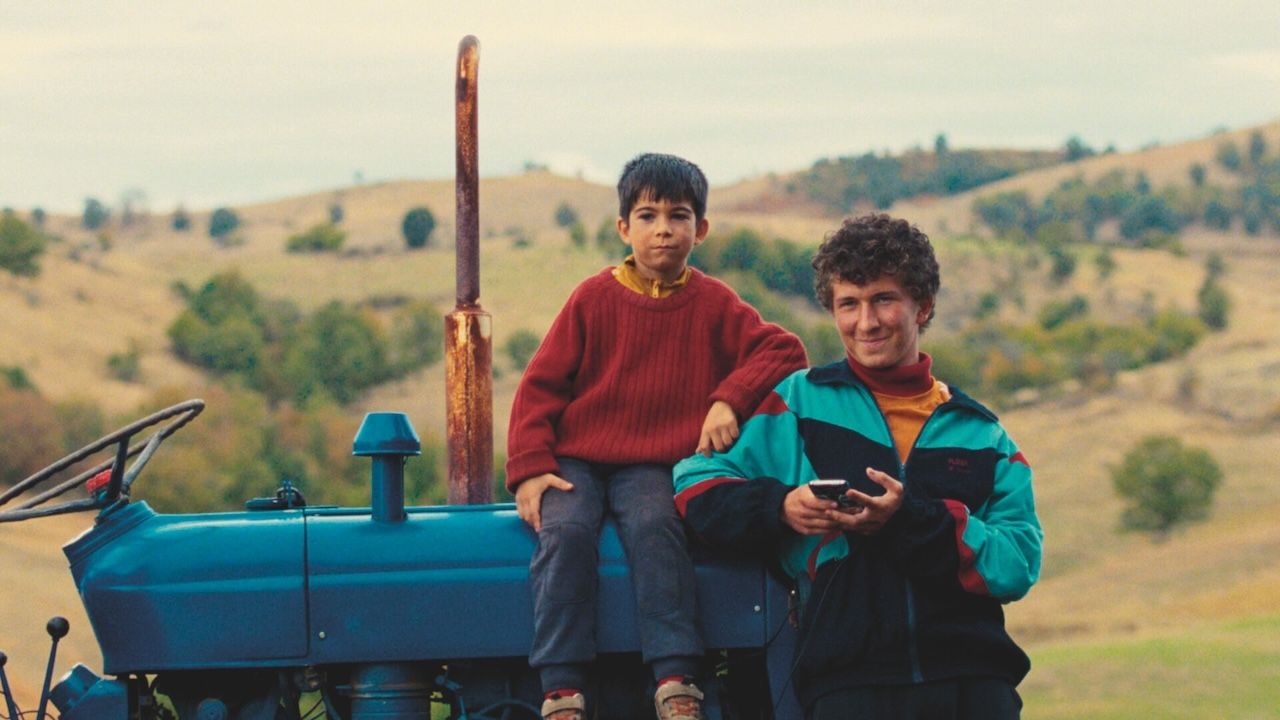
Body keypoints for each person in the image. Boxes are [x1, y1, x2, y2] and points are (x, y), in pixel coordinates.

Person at [673, 213, 1042, 719]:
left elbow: (1018, 563)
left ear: (923, 306)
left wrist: (907, 518)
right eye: (849, 304)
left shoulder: (982, 434)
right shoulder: (798, 404)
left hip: (975, 687)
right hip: (846, 687)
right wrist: (781, 507)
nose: (865, 322)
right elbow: (695, 483)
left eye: (883, 300)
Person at [507, 152, 808, 720]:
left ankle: (675, 678)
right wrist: (528, 468)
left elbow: (784, 349)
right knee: (565, 531)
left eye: (679, 215)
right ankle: (562, 685)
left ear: (702, 228)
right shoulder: (593, 298)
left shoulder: (715, 302)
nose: (663, 229)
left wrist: (728, 398)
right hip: (577, 457)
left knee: (657, 527)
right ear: (624, 227)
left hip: (652, 464)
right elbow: (541, 385)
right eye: (647, 216)